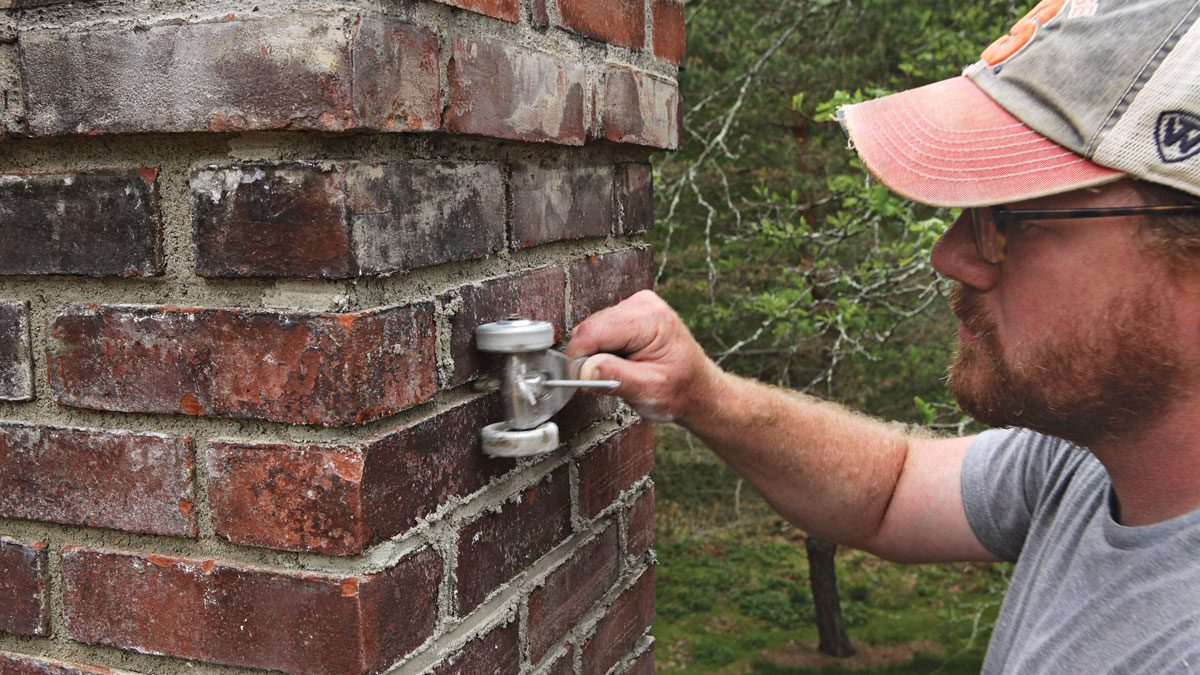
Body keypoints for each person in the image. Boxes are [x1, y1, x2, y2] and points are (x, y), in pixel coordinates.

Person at [565, 0, 1200, 672]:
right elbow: (892, 490)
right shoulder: (1088, 459)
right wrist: (701, 394)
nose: (951, 254)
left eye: (1012, 217)